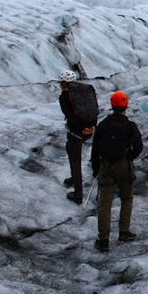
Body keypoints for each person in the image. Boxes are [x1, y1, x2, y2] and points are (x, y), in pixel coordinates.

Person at [90, 90, 143, 252]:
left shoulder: (103, 125)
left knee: (105, 204)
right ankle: (124, 232)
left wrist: (96, 169)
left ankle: (103, 240)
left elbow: (95, 149)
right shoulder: (130, 126)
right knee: (126, 198)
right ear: (126, 105)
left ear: (112, 106)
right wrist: (129, 158)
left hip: (106, 165)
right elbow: (138, 147)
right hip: (123, 165)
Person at [58, 70, 98, 204]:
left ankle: (78, 194)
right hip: (89, 128)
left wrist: (81, 129)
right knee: (72, 152)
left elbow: (69, 116)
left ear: (64, 83)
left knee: (75, 159)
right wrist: (91, 127)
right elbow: (94, 108)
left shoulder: (65, 96)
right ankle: (74, 178)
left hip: (76, 131)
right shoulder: (86, 89)